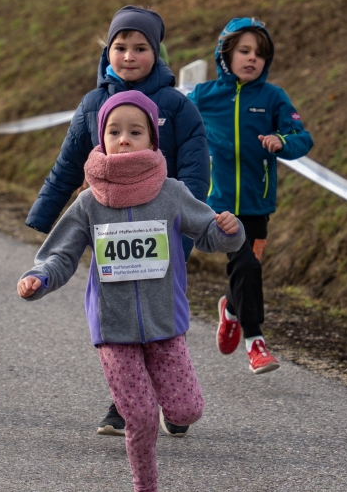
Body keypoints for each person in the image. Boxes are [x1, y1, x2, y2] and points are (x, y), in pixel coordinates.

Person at [18, 91, 245, 492]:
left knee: (187, 410)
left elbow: (210, 236)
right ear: (100, 138)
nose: (124, 139)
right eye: (114, 131)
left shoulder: (172, 193)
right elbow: (60, 254)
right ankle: (145, 486)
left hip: (164, 323)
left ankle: (158, 398)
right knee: (139, 417)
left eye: (135, 131)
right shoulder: (88, 203)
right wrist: (40, 279)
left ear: (153, 141)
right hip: (114, 328)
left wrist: (230, 231)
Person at [25, 6, 209, 436]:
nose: (129, 56)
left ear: (156, 53)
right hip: (110, 232)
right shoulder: (93, 105)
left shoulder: (178, 108)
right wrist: (44, 214)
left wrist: (189, 221)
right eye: (120, 47)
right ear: (108, 51)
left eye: (140, 48)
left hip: (163, 229)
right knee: (119, 316)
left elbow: (196, 171)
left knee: (159, 319)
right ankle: (125, 405)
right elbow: (69, 163)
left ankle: (173, 395)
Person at [188, 17, 313, 373]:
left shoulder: (273, 97)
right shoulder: (205, 96)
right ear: (226, 53)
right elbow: (172, 121)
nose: (252, 59)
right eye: (244, 51)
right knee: (243, 262)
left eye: (260, 54)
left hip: (259, 205)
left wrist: (283, 142)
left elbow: (302, 137)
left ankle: (230, 309)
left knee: (247, 267)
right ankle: (255, 342)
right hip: (220, 204)